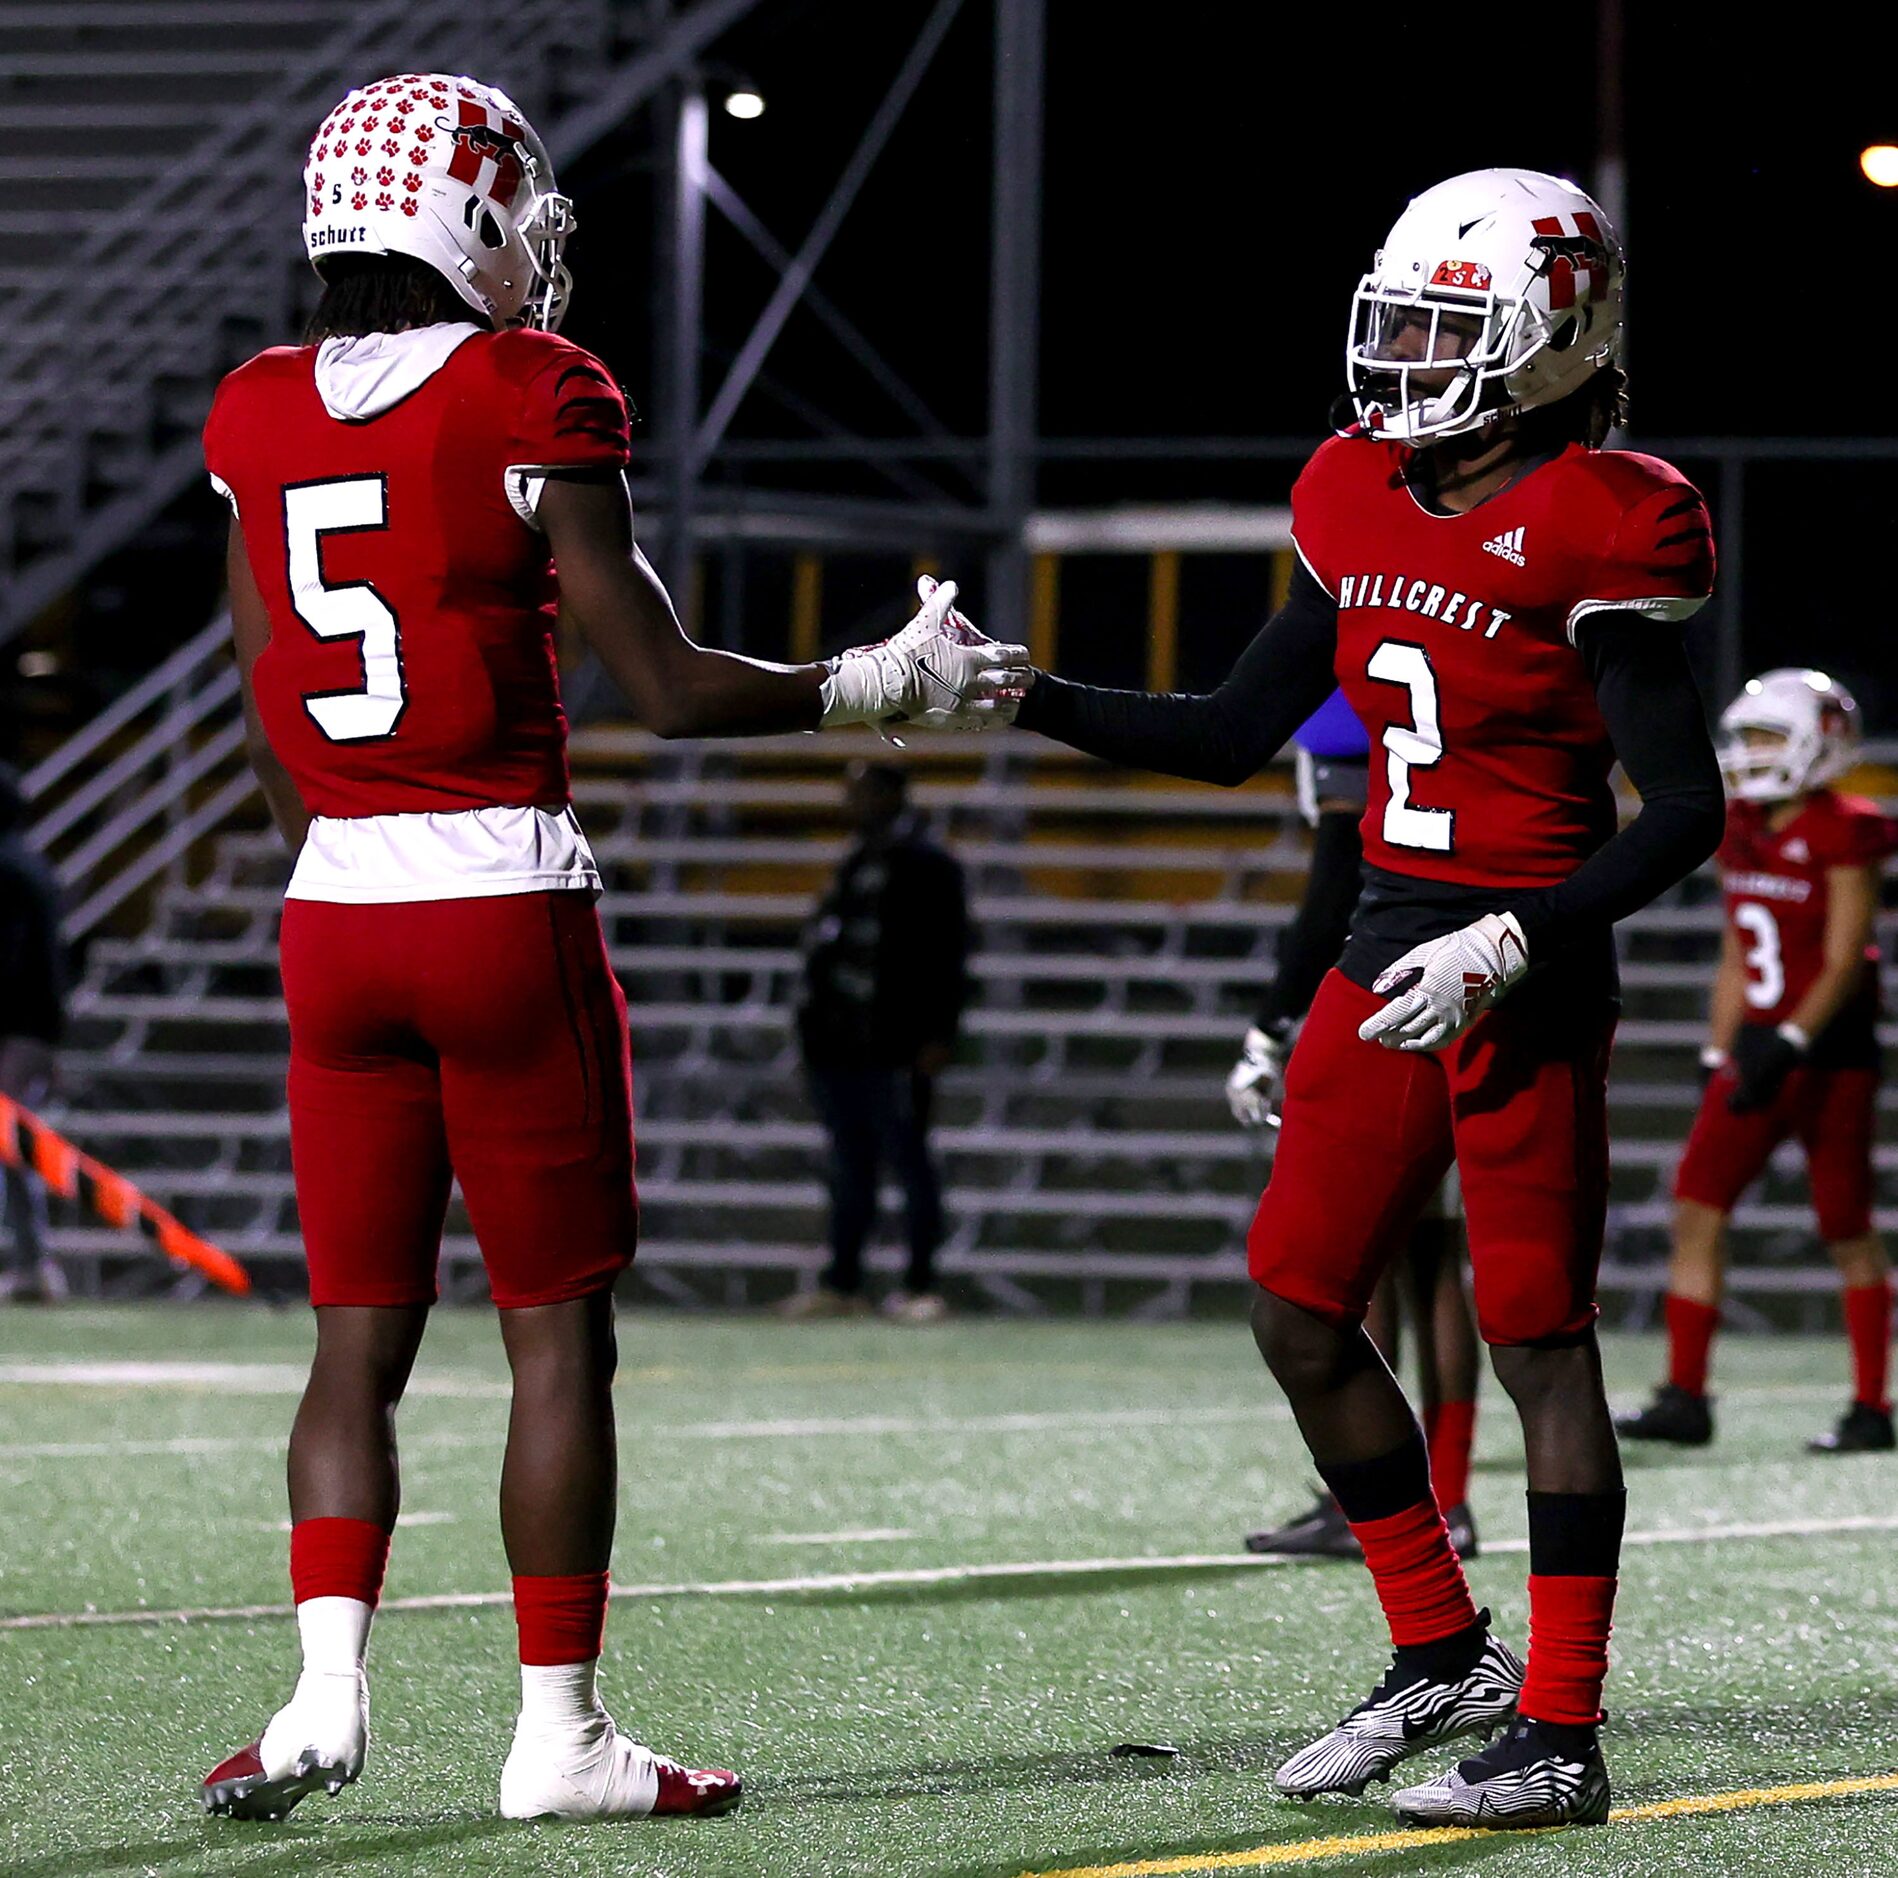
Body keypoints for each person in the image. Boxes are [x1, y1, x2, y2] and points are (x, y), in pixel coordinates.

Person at [197, 72, 1019, 1827]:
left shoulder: (257, 411)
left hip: (333, 907)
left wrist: (355, 851)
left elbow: (268, 714)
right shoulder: (528, 386)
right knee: (554, 1338)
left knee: (356, 1335)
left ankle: (321, 1694)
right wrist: (864, 686)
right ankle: (555, 1734)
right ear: (465, 218)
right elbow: (655, 683)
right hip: (496, 892)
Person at [958, 168, 1722, 1827]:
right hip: (1379, 948)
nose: (1406, 357)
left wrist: (1516, 936)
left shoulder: (1609, 512)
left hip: (1518, 969)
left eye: (1451, 325)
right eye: (1402, 318)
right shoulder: (1348, 487)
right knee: (1296, 1306)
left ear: (1548, 341)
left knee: (1536, 1342)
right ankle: (1438, 1645)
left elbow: (1682, 807)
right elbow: (1237, 727)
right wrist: (1022, 694)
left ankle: (1562, 1730)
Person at [1619, 670, 1898, 1454]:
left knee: (1845, 1225)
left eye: (1769, 737)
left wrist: (1790, 1044)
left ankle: (1872, 1406)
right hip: (1762, 1046)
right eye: (1747, 738)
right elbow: (1741, 951)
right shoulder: (1740, 824)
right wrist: (1719, 1049)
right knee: (1697, 1205)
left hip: (1829, 1053)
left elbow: (1844, 959)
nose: (1752, 754)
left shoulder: (1849, 827)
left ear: (1821, 742)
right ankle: (1685, 1394)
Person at [1231, 699, 1482, 1561]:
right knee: (1433, 1259)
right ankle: (1443, 1492)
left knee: (1365, 1262)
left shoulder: (1355, 688)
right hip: (1466, 967)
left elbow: (1336, 879)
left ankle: (1417, 1499)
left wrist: (1273, 1021)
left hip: (1392, 982)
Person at [790, 762, 970, 1322]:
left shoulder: (927, 864)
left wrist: (937, 1034)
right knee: (850, 1165)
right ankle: (844, 1282)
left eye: (864, 792)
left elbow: (947, 955)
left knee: (909, 1162)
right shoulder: (856, 861)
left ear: (892, 795)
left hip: (894, 1043)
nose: (853, 802)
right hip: (843, 1042)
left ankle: (921, 1283)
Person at [0, 764, 67, 1304]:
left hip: (17, 1030)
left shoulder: (11, 870)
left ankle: (32, 1262)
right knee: (13, 1148)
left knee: (9, 1144)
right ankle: (32, 1262)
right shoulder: (31, 866)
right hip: (33, 1029)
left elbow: (15, 964)